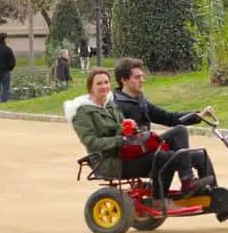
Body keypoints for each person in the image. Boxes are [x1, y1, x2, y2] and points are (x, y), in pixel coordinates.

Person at [64, 68, 206, 200]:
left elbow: (164, 117)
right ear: (91, 88)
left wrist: (128, 127)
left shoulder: (110, 104)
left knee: (197, 152)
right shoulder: (83, 113)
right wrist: (121, 139)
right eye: (99, 84)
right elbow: (91, 142)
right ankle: (159, 197)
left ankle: (213, 196)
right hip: (109, 160)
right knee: (164, 156)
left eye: (106, 83)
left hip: (126, 151)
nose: (104, 87)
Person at [111, 57, 215, 194]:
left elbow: (168, 117)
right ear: (124, 80)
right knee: (179, 132)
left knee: (201, 155)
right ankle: (187, 181)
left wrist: (197, 115)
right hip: (133, 156)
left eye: (142, 76)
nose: (142, 80)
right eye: (137, 77)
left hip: (146, 147)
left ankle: (215, 197)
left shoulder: (140, 101)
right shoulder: (116, 104)